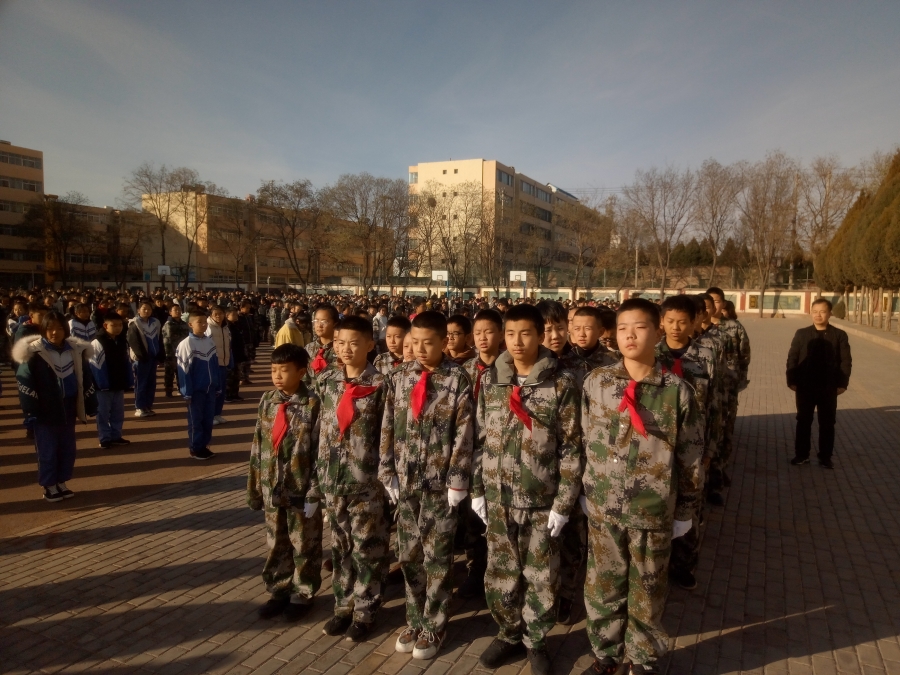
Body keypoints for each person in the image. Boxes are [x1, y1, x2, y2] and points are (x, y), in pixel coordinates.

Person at [580, 298, 704, 675]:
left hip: (652, 509)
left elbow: (692, 457)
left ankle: (642, 658)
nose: (630, 335)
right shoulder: (596, 383)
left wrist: (684, 511)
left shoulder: (677, 391)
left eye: (640, 327)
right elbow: (583, 440)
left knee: (648, 591)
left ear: (658, 331)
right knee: (603, 586)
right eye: (622, 328)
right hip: (604, 508)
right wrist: (587, 490)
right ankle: (606, 655)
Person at [473, 305, 583, 675]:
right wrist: (477, 488)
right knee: (501, 570)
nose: (517, 342)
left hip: (540, 499)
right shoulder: (492, 381)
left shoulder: (562, 383)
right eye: (510, 334)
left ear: (540, 336)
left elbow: (571, 446)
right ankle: (507, 632)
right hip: (498, 497)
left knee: (540, 575)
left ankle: (535, 640)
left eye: (525, 334)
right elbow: (480, 437)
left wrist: (563, 503)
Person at [379, 310, 474, 661]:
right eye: (414, 342)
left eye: (427, 343)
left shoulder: (456, 380)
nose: (419, 349)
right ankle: (414, 618)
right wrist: (387, 469)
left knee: (437, 556)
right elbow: (389, 423)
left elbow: (464, 433)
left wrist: (458, 481)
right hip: (406, 483)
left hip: (439, 486)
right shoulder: (400, 377)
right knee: (409, 554)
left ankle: (435, 623)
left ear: (444, 342)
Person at [308, 316, 387, 641]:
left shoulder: (382, 385)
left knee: (367, 550)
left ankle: (365, 612)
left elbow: (387, 436)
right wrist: (315, 483)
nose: (346, 349)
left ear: (370, 344)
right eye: (340, 343)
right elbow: (318, 432)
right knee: (340, 550)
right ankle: (343, 606)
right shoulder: (327, 381)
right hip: (332, 482)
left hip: (366, 485)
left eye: (354, 343)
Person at [247, 344, 323, 622]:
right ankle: (279, 589)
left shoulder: (314, 403)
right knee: (276, 542)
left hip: (300, 488)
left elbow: (320, 451)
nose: (277, 376)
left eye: (285, 370)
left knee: (304, 543)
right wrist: (255, 484)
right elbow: (258, 443)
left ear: (301, 372)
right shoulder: (268, 400)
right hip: (272, 486)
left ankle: (302, 594)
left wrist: (315, 491)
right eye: (274, 370)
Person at [656, 295, 718, 591]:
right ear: (662, 322)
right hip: (660, 444)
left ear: (694, 321)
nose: (676, 327)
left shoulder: (706, 356)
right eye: (670, 321)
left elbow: (716, 405)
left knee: (689, 506)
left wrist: (711, 449)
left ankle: (684, 565)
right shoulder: (652, 355)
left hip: (694, 442)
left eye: (682, 321)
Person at [14, 310, 97, 503]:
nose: (54, 333)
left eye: (59, 329)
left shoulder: (75, 349)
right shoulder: (33, 352)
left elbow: (85, 377)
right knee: (48, 449)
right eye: (50, 329)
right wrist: (30, 409)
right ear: (43, 330)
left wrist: (90, 403)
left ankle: (61, 481)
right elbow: (24, 381)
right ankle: (49, 484)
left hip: (68, 406)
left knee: (67, 448)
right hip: (45, 409)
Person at [457, 308, 504, 600]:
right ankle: (476, 570)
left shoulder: (508, 369)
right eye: (477, 333)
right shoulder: (464, 370)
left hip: (497, 450)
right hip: (468, 448)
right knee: (472, 516)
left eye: (488, 331)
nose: (482, 338)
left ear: (500, 334)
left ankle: (498, 573)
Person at [786, 298, 851, 469]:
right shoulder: (802, 334)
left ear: (830, 313)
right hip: (805, 386)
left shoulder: (839, 335)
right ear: (811, 313)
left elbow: (845, 361)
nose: (818, 315)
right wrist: (791, 380)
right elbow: (792, 358)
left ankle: (825, 457)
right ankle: (801, 455)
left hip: (828, 387)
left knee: (828, 423)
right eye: (815, 311)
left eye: (822, 311)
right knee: (803, 421)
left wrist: (842, 383)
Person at [176, 310, 220, 461]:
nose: (203, 325)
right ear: (190, 324)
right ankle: (195, 448)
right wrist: (187, 392)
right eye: (199, 322)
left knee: (208, 419)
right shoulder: (186, 344)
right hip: (196, 391)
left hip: (210, 388)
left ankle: (204, 446)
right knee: (196, 420)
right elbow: (183, 371)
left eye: (204, 322)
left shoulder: (209, 341)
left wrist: (217, 385)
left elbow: (214, 365)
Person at [89, 313, 134, 449]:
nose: (117, 328)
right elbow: (96, 365)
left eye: (120, 325)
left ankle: (116, 435)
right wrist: (102, 384)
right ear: (105, 325)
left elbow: (126, 361)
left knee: (118, 413)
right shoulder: (97, 342)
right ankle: (104, 438)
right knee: (103, 413)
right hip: (103, 386)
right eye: (113, 325)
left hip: (118, 383)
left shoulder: (121, 340)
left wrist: (128, 380)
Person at [127, 300, 162, 418]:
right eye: (144, 309)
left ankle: (148, 406)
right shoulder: (134, 323)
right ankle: (139, 407)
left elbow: (159, 339)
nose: (147, 311)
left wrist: (160, 354)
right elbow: (133, 341)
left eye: (149, 309)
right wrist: (141, 356)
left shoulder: (155, 322)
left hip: (153, 357)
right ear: (138, 310)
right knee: (141, 383)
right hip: (141, 359)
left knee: (151, 383)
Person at [206, 305, 232, 426]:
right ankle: (209, 415)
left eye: (220, 313)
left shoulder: (225, 327)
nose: (218, 316)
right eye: (215, 314)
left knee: (221, 391)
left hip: (223, 362)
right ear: (211, 314)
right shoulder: (208, 327)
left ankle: (217, 414)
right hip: (212, 363)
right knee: (213, 391)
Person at [162, 303, 190, 398]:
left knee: (181, 372)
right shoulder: (168, 324)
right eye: (175, 310)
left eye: (179, 310)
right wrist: (169, 353)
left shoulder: (184, 324)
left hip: (182, 353)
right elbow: (167, 340)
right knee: (169, 373)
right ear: (170, 312)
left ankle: (181, 389)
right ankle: (168, 390)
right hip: (171, 353)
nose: (178, 312)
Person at [305, 304, 339, 378]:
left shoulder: (339, 348)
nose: (319, 325)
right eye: (316, 321)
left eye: (324, 321)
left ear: (334, 324)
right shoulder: (309, 348)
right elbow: (304, 376)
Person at [226, 307, 248, 402]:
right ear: (227, 316)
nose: (236, 316)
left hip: (239, 353)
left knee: (237, 376)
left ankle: (235, 394)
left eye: (236, 314)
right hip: (232, 354)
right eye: (233, 315)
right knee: (230, 376)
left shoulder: (236, 325)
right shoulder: (227, 327)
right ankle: (228, 395)